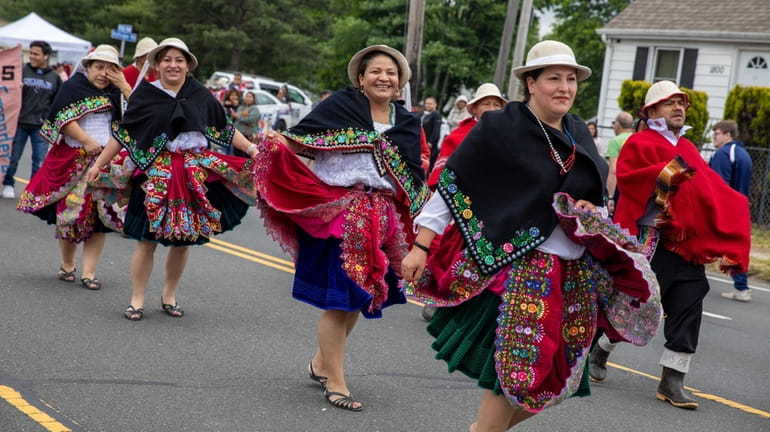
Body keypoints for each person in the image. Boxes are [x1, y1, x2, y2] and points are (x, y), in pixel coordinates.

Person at [401, 40, 660, 431]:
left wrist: (591, 213)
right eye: (553, 78)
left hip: (574, 272)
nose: (564, 87)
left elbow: (595, 201)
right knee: (516, 373)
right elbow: (454, 184)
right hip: (523, 266)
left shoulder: (577, 133)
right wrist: (421, 245)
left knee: (559, 380)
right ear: (531, 83)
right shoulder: (501, 126)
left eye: (571, 79)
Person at [252, 44, 429, 412]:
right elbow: (298, 140)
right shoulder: (339, 107)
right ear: (361, 79)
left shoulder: (408, 123)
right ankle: (336, 379)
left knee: (357, 300)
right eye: (376, 71)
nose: (384, 77)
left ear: (400, 82)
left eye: (391, 72)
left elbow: (413, 177)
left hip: (382, 220)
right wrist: (273, 144)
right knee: (340, 300)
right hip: (338, 215)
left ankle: (321, 364)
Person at [591, 80, 750, 410]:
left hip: (687, 245)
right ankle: (601, 348)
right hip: (653, 241)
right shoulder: (639, 143)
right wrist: (669, 174)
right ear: (651, 112)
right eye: (669, 103)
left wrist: (731, 208)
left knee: (692, 299)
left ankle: (672, 378)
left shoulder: (689, 148)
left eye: (681, 102)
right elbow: (634, 182)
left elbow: (707, 190)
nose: (678, 107)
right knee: (637, 305)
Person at [85, 37, 258, 321]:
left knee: (184, 239)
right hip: (153, 174)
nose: (173, 65)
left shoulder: (200, 95)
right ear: (157, 64)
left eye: (179, 60)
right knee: (146, 239)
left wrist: (252, 149)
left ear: (188, 65)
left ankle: (169, 294)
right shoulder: (145, 95)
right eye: (167, 60)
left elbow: (224, 129)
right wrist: (99, 164)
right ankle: (137, 298)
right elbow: (124, 135)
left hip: (192, 174)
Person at [16, 45, 131, 290]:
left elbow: (138, 117)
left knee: (100, 217)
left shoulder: (117, 94)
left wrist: (124, 87)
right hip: (74, 158)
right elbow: (62, 119)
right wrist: (86, 141)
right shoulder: (72, 88)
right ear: (87, 67)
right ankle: (67, 264)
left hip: (105, 162)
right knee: (71, 213)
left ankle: (89, 272)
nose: (103, 74)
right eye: (99, 67)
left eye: (110, 70)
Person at [420, 83, 507, 322]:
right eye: (485, 104)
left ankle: (470, 305)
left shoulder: (512, 135)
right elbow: (446, 171)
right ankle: (440, 299)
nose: (491, 108)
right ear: (474, 109)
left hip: (496, 209)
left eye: (496, 104)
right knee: (452, 253)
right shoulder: (461, 134)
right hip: (462, 205)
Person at [2, 40, 62, 199]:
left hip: (40, 126)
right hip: (19, 123)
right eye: (31, 53)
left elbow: (57, 101)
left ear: (46, 56)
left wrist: (50, 120)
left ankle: (34, 190)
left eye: (36, 54)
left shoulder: (54, 77)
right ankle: (8, 184)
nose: (32, 57)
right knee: (13, 157)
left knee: (39, 161)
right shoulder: (21, 70)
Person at [710, 120, 753, 302]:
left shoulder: (724, 153)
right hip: (740, 208)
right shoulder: (743, 153)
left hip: (727, 208)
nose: (714, 137)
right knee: (735, 247)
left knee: (724, 246)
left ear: (727, 135)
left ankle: (742, 287)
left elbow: (719, 183)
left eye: (717, 133)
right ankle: (741, 286)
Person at [605, 111, 634, 216]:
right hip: (635, 188)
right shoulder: (638, 139)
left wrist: (611, 197)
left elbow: (613, 171)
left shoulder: (615, 142)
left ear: (617, 125)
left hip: (620, 187)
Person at [422, 96, 442, 173]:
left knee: (429, 165)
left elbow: (436, 130)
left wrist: (431, 142)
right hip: (425, 143)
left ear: (435, 105)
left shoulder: (436, 115)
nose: (427, 105)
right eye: (426, 103)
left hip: (431, 145)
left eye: (430, 104)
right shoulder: (426, 115)